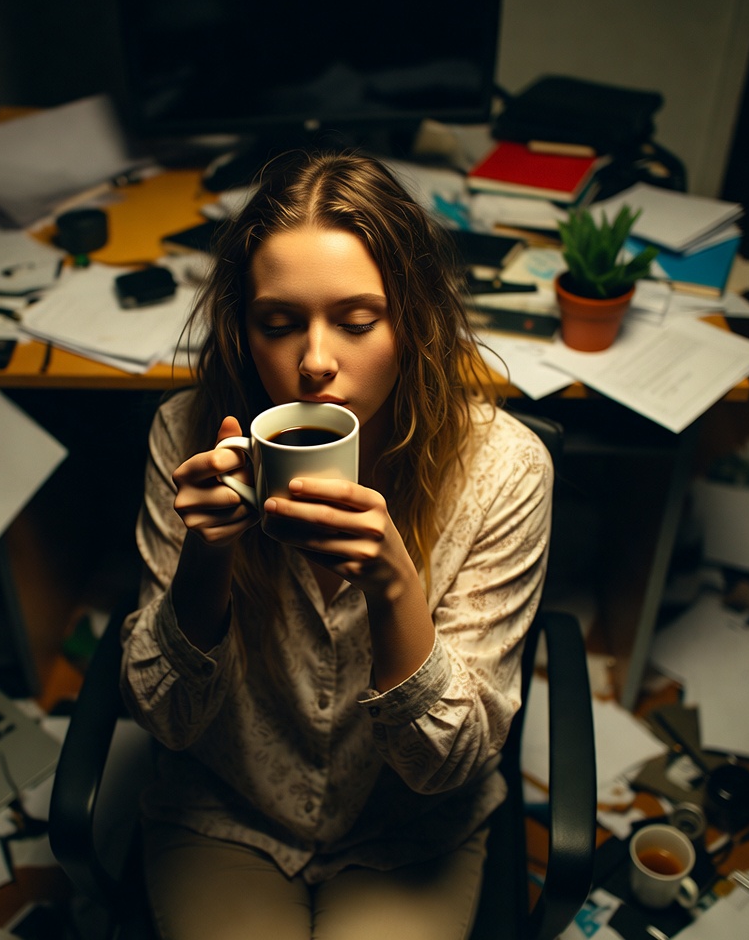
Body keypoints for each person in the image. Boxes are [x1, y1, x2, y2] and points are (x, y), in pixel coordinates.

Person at [120, 149, 553, 940]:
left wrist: (392, 583)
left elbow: (447, 766)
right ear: (242, 329)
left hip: (406, 832)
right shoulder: (185, 434)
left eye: (357, 321)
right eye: (278, 324)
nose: (316, 363)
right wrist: (207, 557)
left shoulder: (504, 469)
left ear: (411, 316)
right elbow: (165, 719)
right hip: (226, 810)